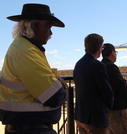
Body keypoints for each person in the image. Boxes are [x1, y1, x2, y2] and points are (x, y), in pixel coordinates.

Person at [0, 3, 67, 134]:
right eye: (49, 27)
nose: (51, 33)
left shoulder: (23, 48)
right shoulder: (26, 52)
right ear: (36, 26)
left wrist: (55, 79)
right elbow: (55, 97)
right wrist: (61, 86)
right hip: (31, 130)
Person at [73, 34, 114, 134]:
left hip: (81, 116)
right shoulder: (98, 65)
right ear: (99, 47)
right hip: (95, 118)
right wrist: (109, 108)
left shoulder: (78, 64)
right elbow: (106, 91)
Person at [101, 43, 127, 134]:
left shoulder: (101, 65)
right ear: (112, 53)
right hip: (117, 108)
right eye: (115, 52)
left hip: (108, 107)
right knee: (123, 130)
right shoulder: (111, 66)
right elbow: (120, 85)